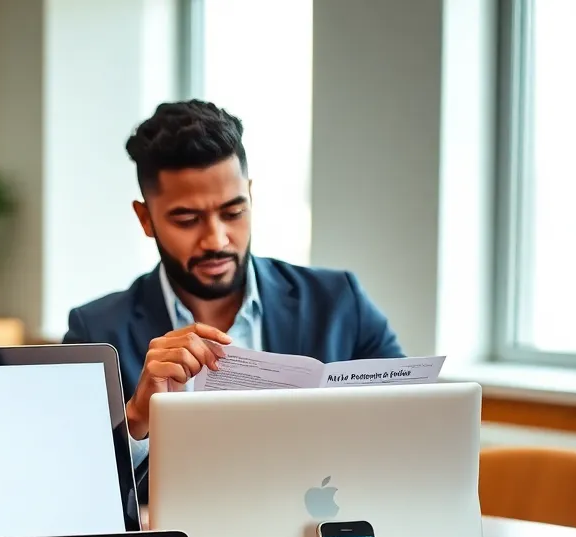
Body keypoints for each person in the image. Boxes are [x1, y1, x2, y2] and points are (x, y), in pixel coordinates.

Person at [62, 99, 404, 492]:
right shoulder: (97, 329)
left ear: (251, 197)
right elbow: (76, 489)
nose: (217, 239)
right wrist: (136, 417)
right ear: (146, 219)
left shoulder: (340, 302)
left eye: (233, 212)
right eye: (187, 219)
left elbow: (413, 423)